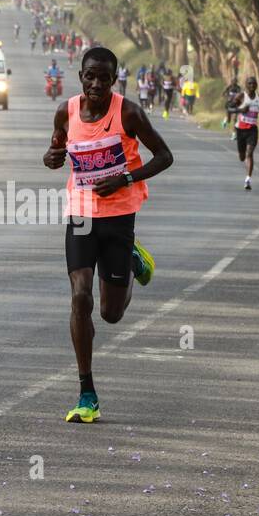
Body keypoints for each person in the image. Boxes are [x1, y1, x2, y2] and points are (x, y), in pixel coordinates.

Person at [43, 46, 173, 424]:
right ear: (80, 76)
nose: (96, 83)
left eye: (104, 77)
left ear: (113, 79)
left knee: (111, 314)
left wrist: (125, 177)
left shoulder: (128, 112)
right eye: (89, 76)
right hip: (81, 214)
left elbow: (164, 156)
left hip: (119, 216)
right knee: (80, 296)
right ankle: (87, 392)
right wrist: (50, 158)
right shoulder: (66, 111)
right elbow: (55, 151)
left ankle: (131, 258)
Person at [233, 76, 259, 190]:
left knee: (249, 154)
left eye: (254, 84)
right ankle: (243, 158)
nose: (252, 86)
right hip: (241, 130)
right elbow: (229, 108)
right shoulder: (241, 96)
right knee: (242, 156)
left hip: (252, 130)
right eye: (250, 84)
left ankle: (248, 179)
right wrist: (241, 109)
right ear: (246, 85)